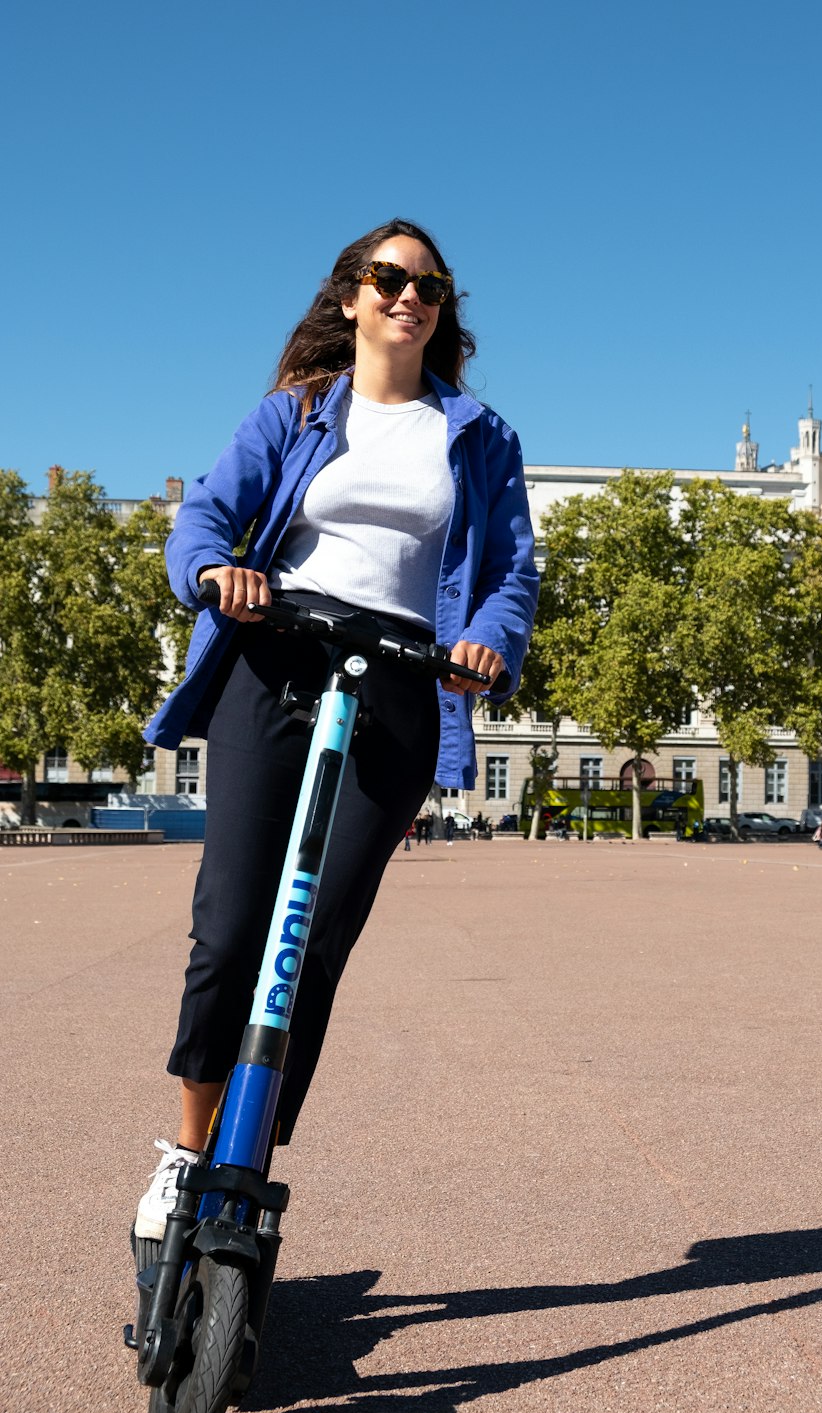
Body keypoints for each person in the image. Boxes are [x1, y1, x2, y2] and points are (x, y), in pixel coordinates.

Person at [134, 218, 539, 1242]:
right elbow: (203, 521)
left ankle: (246, 1159)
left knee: (311, 945)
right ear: (351, 297)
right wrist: (215, 573)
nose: (410, 296)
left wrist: (488, 641)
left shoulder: (481, 437)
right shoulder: (298, 410)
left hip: (403, 679)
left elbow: (509, 573)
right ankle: (186, 1158)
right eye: (389, 278)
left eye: (430, 285)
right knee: (232, 926)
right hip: (280, 657)